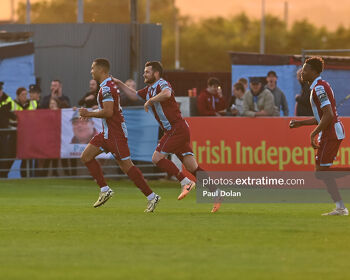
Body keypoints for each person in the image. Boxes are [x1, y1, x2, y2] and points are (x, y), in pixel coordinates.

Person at [113, 61, 222, 213]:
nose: (144, 74)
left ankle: (185, 182)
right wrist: (119, 83)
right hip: (177, 130)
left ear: (156, 74)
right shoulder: (149, 89)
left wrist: (151, 100)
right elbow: (133, 95)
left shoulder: (162, 84)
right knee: (192, 167)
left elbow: (167, 94)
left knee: (156, 158)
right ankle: (216, 194)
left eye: (147, 72)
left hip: (176, 129)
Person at [79, 58, 161, 212]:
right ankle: (104, 189)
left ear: (101, 70)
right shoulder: (107, 85)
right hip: (107, 133)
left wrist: (89, 113)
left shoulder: (107, 88)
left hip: (115, 133)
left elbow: (109, 112)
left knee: (127, 167)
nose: (91, 71)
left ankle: (152, 197)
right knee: (86, 156)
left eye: (92, 68)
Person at [289, 57, 347, 216]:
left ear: (314, 72)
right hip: (329, 132)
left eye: (306, 69)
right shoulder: (318, 87)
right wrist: (301, 124)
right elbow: (321, 116)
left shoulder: (319, 89)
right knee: (322, 171)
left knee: (321, 171)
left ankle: (341, 208)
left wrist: (313, 133)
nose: (302, 72)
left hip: (331, 133)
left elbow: (328, 115)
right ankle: (340, 207)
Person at [0, 82, 17, 178]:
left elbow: (12, 115)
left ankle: (3, 174)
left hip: (5, 132)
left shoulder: (8, 100)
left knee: (5, 153)